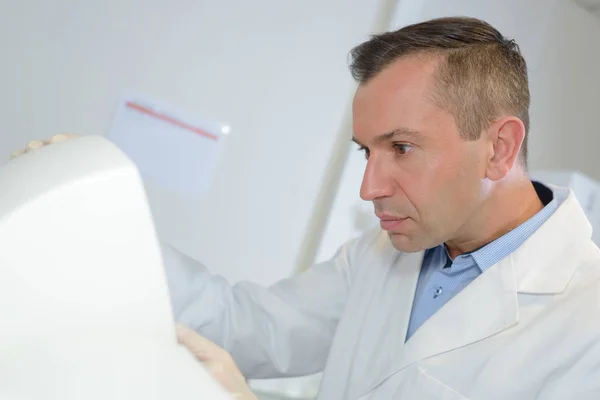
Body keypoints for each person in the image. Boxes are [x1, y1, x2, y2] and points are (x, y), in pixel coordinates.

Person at [15, 16, 600, 400]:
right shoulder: (383, 255)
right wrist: (108, 225)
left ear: (499, 148)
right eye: (365, 151)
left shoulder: (585, 330)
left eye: (401, 148)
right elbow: (249, 326)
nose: (369, 188)